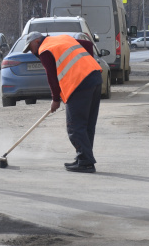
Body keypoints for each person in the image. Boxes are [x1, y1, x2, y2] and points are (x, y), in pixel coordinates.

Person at [24, 31, 103, 173]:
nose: (31, 52)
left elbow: (52, 77)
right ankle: (84, 158)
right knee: (87, 125)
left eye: (30, 48)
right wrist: (86, 66)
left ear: (36, 41)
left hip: (79, 84)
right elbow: (88, 44)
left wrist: (55, 99)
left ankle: (86, 162)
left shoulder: (44, 50)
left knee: (75, 126)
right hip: (95, 78)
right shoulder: (63, 39)